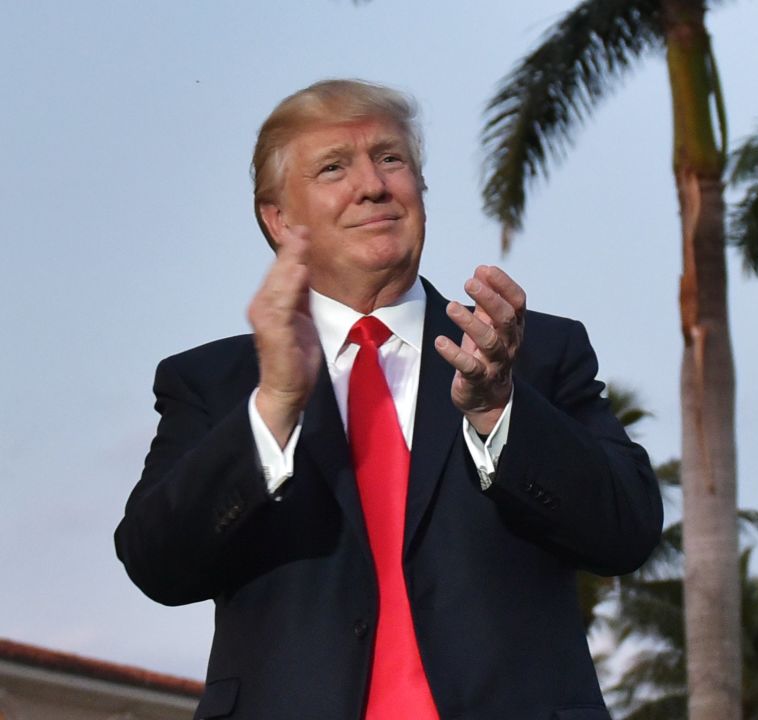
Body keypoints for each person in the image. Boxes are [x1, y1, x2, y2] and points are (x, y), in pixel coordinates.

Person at [115, 79, 662, 720]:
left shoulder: (527, 353)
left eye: (390, 158)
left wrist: (497, 408)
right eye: (333, 168)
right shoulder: (215, 382)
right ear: (281, 219)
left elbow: (627, 532)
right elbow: (158, 565)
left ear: (421, 190)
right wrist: (274, 409)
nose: (373, 185)